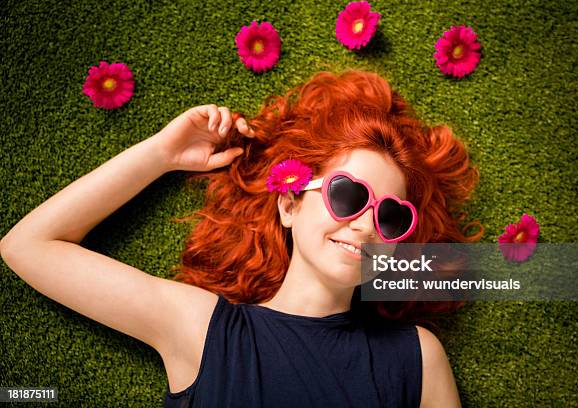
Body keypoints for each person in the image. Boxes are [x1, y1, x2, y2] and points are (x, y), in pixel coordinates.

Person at [1, 69, 482, 407]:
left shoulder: (418, 359)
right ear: (290, 203)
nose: (365, 225)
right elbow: (27, 247)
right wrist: (163, 153)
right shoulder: (202, 329)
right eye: (347, 194)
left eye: (392, 217)